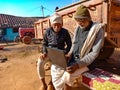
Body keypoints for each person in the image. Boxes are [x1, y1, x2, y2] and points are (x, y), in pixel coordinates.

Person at [51, 5, 105, 90]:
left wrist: (78, 65)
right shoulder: (78, 29)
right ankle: (59, 88)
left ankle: (66, 87)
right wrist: (69, 54)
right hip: (74, 59)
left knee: (68, 75)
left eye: (82, 20)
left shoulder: (97, 30)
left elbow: (94, 53)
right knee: (55, 67)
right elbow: (74, 44)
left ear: (88, 18)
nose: (80, 23)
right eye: (77, 20)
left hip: (87, 63)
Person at [37, 13, 72, 90]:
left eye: (59, 25)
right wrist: (44, 52)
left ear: (62, 24)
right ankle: (44, 84)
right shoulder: (47, 31)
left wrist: (64, 53)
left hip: (60, 54)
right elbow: (44, 43)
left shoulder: (65, 32)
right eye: (55, 25)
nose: (57, 27)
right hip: (49, 53)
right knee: (40, 62)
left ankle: (51, 82)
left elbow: (69, 45)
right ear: (51, 24)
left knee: (57, 68)